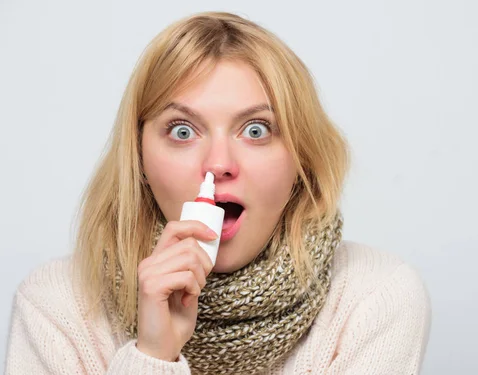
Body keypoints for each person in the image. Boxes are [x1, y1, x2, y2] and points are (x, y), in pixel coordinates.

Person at [4, 11, 431, 375]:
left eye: (256, 130)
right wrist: (153, 355)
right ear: (139, 162)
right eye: (183, 131)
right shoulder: (55, 307)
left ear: (301, 162)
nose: (218, 163)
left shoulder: (374, 298)